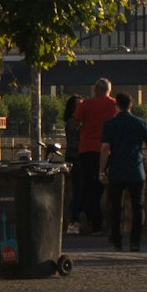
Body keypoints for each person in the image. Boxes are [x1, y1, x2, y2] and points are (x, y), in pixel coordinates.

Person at [98, 91, 147, 252]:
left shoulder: (110, 124)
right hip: (136, 171)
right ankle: (135, 241)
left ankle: (117, 241)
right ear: (131, 105)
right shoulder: (141, 123)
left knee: (116, 207)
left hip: (116, 171)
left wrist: (102, 171)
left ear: (116, 105)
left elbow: (104, 149)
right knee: (138, 207)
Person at [73, 78, 117, 233]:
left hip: (86, 150)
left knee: (87, 185)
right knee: (98, 186)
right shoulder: (114, 105)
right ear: (109, 90)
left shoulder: (87, 104)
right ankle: (95, 221)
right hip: (106, 151)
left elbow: (75, 123)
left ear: (97, 89)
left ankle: (92, 219)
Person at [62, 94, 83, 234]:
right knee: (77, 190)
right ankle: (74, 221)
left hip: (78, 157)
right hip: (75, 158)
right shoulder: (72, 123)